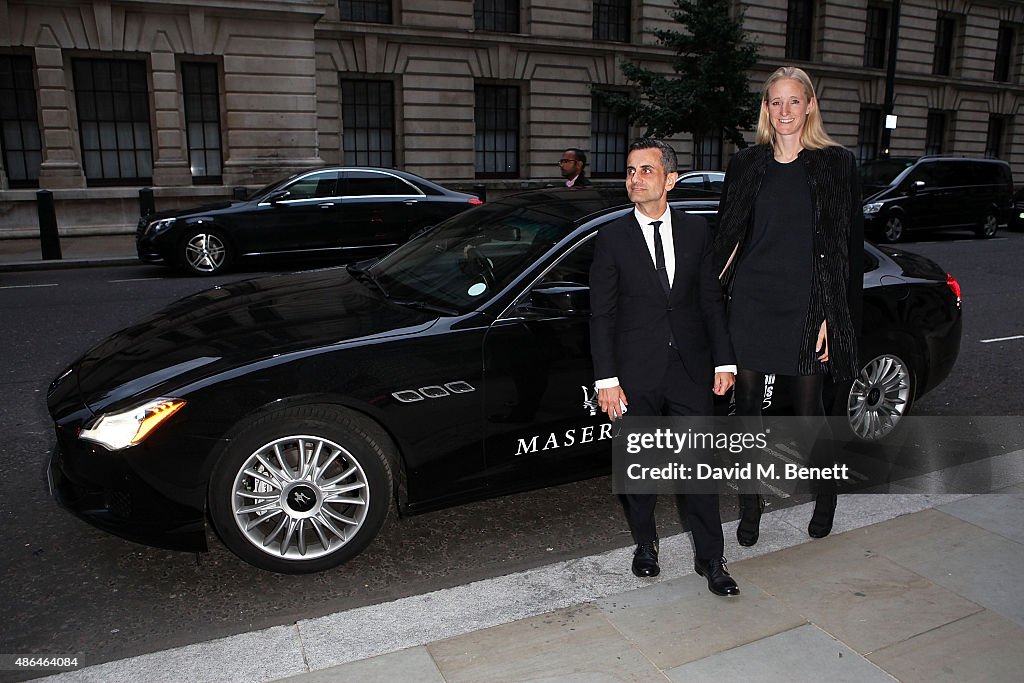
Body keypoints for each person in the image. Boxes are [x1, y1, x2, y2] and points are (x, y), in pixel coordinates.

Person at [712, 66, 863, 546]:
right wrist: (707, 303)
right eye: (775, 102)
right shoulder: (746, 163)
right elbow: (729, 238)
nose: (784, 111)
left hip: (805, 305)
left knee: (805, 413)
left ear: (810, 105)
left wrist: (830, 315)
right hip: (752, 302)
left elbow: (846, 249)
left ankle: (825, 495)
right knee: (749, 414)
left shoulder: (836, 163)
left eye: (794, 101)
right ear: (766, 108)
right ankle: (751, 507)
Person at [590, 138, 739, 596]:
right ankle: (645, 544)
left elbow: (712, 301)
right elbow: (601, 313)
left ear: (670, 180)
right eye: (631, 171)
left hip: (691, 369)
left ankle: (711, 559)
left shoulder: (698, 232)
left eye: (646, 170)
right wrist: (607, 379)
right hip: (634, 374)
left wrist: (725, 359)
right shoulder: (612, 237)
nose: (635, 179)